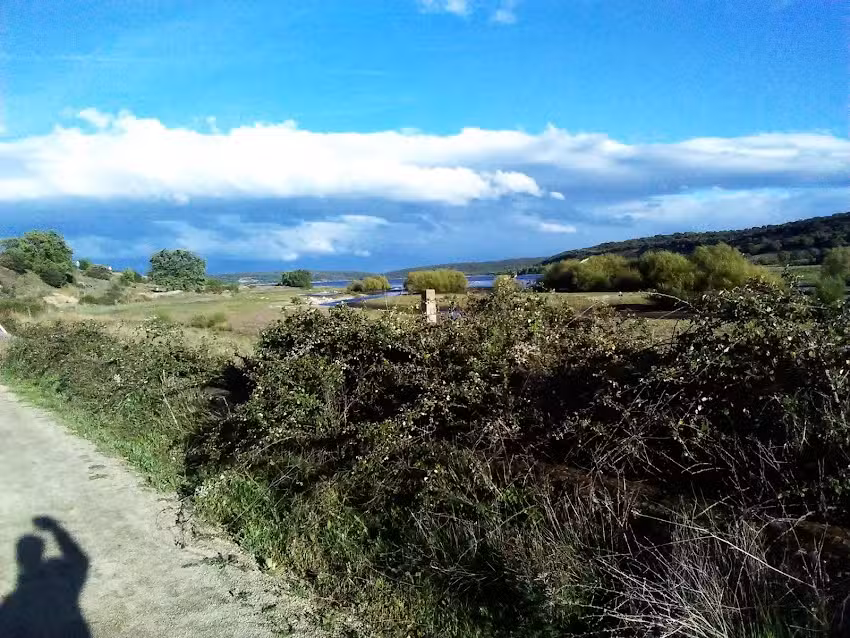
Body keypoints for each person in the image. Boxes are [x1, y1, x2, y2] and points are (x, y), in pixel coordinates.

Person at [0, 516, 91, 637]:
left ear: (19, 560)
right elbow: (79, 561)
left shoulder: (13, 605)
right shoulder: (62, 585)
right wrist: (56, 529)